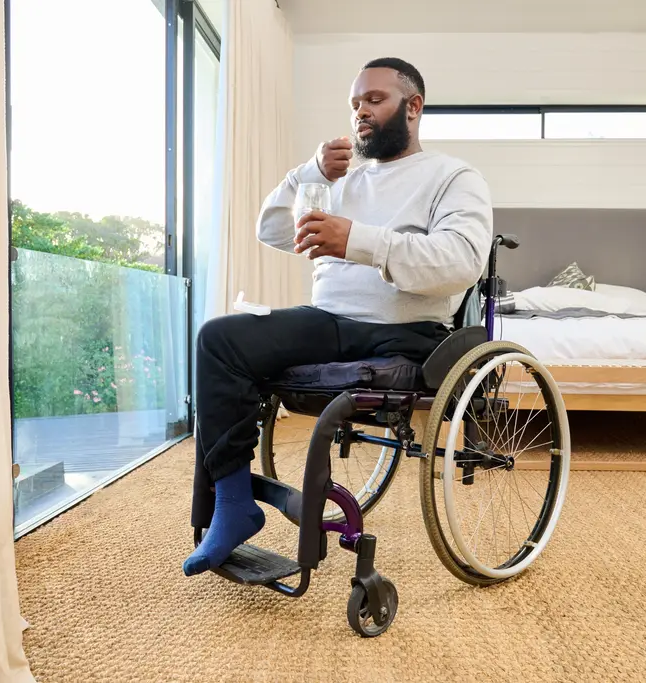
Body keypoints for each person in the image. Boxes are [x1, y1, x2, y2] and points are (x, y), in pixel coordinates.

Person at [183, 57, 493, 576]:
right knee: (219, 339)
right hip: (328, 320)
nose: (361, 112)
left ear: (413, 106)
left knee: (234, 342)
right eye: (355, 104)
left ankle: (232, 506)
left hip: (407, 332)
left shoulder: (454, 177)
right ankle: (234, 506)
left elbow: (461, 261)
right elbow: (272, 230)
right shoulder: (339, 179)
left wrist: (357, 240)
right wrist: (310, 172)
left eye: (374, 100)